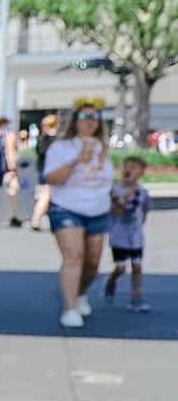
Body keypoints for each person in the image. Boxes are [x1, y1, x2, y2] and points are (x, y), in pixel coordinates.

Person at [41, 103, 114, 329]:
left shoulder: (103, 148)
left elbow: (106, 180)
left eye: (95, 116)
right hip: (66, 207)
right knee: (74, 257)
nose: (90, 120)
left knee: (93, 263)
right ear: (75, 120)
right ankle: (70, 308)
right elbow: (52, 179)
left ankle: (80, 293)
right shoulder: (61, 148)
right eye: (85, 116)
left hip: (98, 210)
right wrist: (76, 161)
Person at [104, 155, 151, 312]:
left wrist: (138, 227)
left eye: (134, 167)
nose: (129, 170)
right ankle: (111, 281)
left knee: (137, 266)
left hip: (136, 237)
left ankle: (136, 297)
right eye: (127, 166)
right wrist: (121, 199)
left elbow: (144, 212)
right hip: (118, 236)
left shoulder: (143, 193)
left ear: (141, 173)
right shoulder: (114, 191)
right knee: (121, 268)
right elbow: (116, 212)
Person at [30, 112, 59, 230]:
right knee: (46, 196)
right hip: (51, 171)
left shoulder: (42, 137)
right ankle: (35, 220)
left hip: (42, 169)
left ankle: (40, 220)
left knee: (43, 195)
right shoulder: (54, 138)